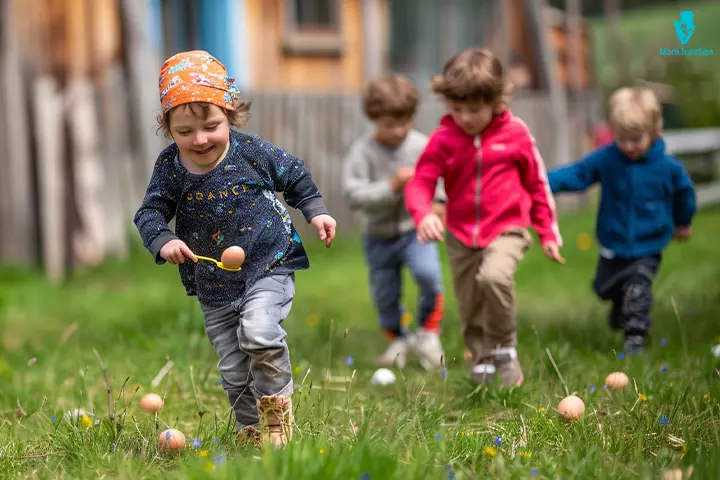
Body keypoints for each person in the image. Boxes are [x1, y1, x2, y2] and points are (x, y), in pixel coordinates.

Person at [133, 50, 337, 447]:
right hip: (213, 281)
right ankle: (251, 431)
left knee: (259, 333)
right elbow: (149, 213)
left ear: (230, 114)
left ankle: (278, 423)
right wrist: (165, 239)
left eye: (211, 125)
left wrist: (316, 212)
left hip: (268, 263)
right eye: (185, 131)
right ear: (169, 128)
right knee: (233, 368)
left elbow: (293, 174)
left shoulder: (251, 152)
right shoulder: (171, 167)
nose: (200, 139)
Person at [404, 48, 564, 389]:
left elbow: (537, 183)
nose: (464, 117)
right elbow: (421, 182)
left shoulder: (516, 134)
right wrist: (423, 214)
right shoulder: (444, 139)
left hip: (507, 227)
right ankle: (481, 359)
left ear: (496, 100)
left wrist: (548, 232)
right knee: (469, 299)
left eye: (473, 109)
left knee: (493, 277)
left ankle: (504, 349)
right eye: (456, 108)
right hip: (461, 234)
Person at [548, 86, 696, 355]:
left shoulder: (667, 167)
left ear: (654, 131)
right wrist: (543, 182)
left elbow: (685, 195)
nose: (628, 146)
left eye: (636, 139)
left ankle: (635, 338)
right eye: (622, 138)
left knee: (638, 287)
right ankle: (620, 306)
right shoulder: (608, 159)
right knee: (604, 288)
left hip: (648, 244)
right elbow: (579, 173)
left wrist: (683, 222)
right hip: (613, 240)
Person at [342, 74, 447, 371]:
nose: (398, 131)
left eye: (405, 123)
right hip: (378, 236)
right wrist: (390, 187)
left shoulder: (421, 146)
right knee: (385, 293)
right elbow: (353, 195)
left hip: (415, 231)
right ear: (373, 119)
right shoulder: (362, 153)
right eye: (389, 125)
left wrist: (438, 203)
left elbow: (436, 178)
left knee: (428, 276)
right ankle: (398, 338)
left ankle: (428, 332)